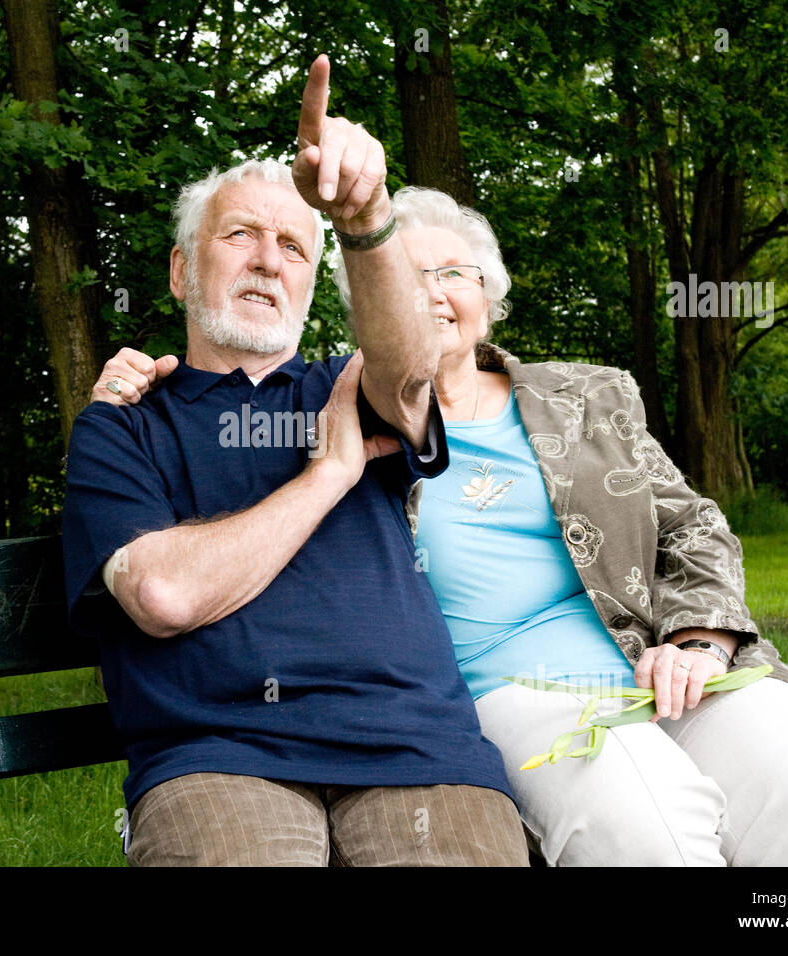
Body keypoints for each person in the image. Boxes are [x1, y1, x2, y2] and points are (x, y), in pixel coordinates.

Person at [95, 184, 788, 866]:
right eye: (404, 277)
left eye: (453, 274)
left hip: (664, 664)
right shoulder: (349, 411)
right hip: (513, 696)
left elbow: (694, 525)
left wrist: (700, 639)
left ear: (490, 293)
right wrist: (154, 374)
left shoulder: (587, 397)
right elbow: (235, 397)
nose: (430, 293)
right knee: (654, 835)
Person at [64, 57, 526, 867]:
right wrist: (326, 479)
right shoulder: (124, 425)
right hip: (218, 757)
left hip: (418, 751)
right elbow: (163, 592)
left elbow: (410, 367)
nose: (268, 260)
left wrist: (364, 217)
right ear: (182, 270)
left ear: (315, 282)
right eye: (239, 234)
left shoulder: (348, 387)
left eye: (293, 247)